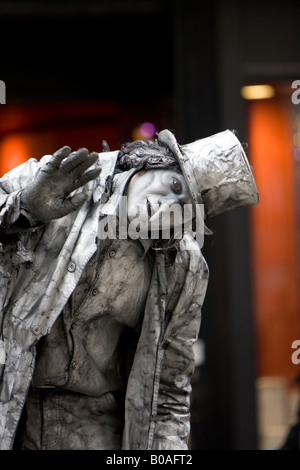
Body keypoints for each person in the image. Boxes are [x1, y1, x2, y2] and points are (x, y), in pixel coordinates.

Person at [0, 129, 258, 450]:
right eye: (174, 185)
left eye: (184, 207)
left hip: (93, 430)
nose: (167, 206)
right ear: (147, 163)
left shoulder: (183, 266)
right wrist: (23, 210)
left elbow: (169, 386)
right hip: (11, 408)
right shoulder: (56, 182)